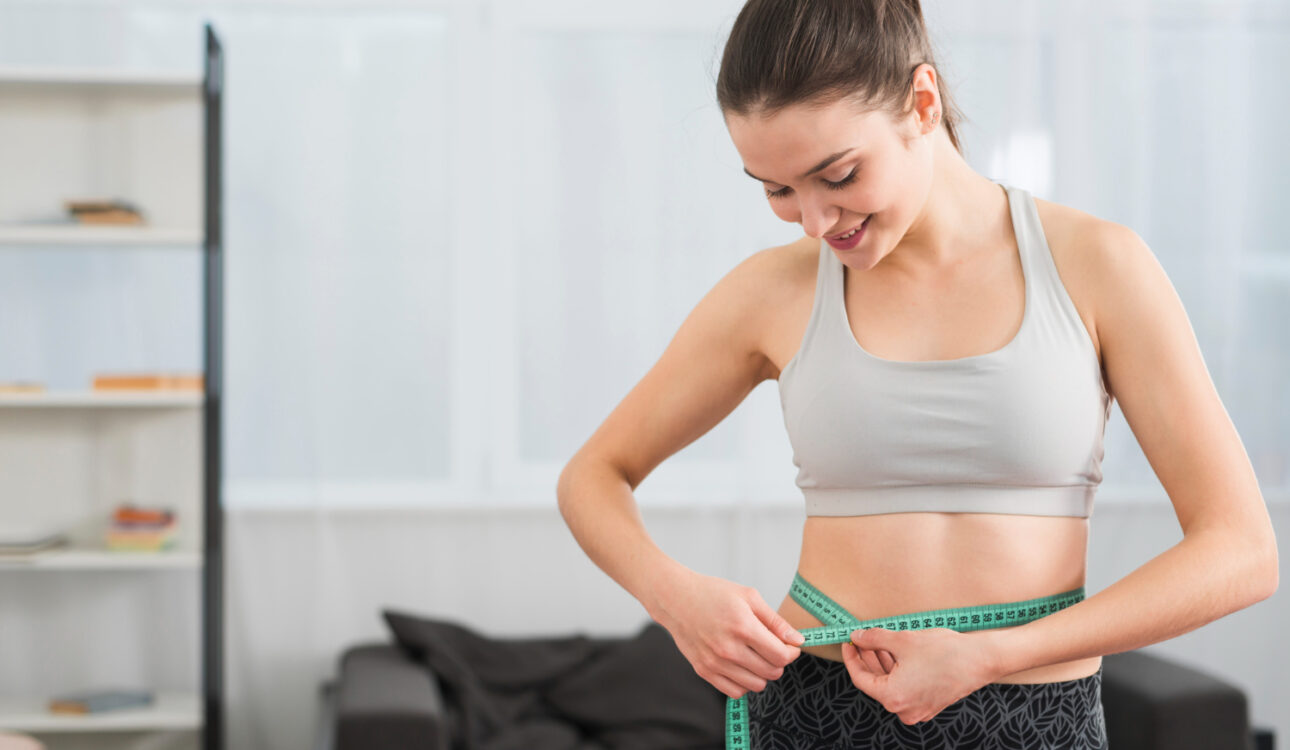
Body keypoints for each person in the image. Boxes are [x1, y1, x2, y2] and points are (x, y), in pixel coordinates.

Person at [556, 0, 1278, 747]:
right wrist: (677, 600)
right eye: (776, 190)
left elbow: (1241, 551)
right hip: (817, 714)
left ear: (921, 102)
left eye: (836, 174)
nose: (813, 221)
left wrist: (991, 653)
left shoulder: (1098, 266)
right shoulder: (773, 291)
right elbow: (592, 476)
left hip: (1035, 716)